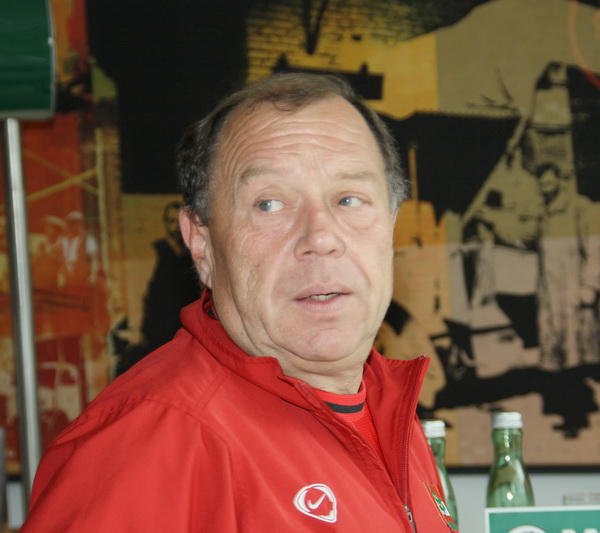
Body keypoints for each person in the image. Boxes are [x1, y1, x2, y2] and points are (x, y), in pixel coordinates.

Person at [22, 73, 454, 532]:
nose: (321, 237)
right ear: (202, 244)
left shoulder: (390, 415)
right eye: (269, 204)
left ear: (390, 226)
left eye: (349, 199)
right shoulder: (149, 442)